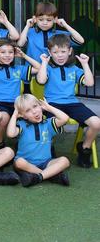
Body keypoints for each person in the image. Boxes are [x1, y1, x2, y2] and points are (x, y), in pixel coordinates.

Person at [36, 34, 99, 167]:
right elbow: (41, 80)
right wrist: (44, 63)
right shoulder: (47, 68)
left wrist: (85, 64)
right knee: (49, 124)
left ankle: (84, 149)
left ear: (70, 51)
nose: (60, 55)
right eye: (55, 52)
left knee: (96, 123)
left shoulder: (74, 69)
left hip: (72, 103)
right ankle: (48, 147)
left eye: (63, 51)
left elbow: (89, 83)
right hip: (52, 104)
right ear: (49, 52)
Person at [0, 39, 41, 149]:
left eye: (10, 52)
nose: (7, 55)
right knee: (3, 117)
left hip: (16, 104)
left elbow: (38, 68)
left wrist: (24, 56)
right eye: (3, 52)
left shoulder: (18, 69)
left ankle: (25, 144)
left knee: (30, 114)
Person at [7, 94, 71, 187]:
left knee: (65, 161)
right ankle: (51, 176)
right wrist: (15, 114)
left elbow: (65, 118)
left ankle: (38, 177)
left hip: (46, 162)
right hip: (26, 163)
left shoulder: (48, 124)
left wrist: (48, 107)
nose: (34, 112)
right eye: (28, 110)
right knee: (19, 162)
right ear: (23, 115)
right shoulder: (21, 125)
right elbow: (10, 133)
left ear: (40, 106)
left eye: (35, 106)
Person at [17, 2, 84, 61]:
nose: (45, 23)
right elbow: (20, 44)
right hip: (33, 70)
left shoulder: (60, 35)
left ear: (55, 19)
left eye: (49, 20)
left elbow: (80, 41)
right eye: (41, 20)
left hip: (53, 72)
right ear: (35, 19)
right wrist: (27, 26)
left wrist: (66, 25)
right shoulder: (29, 32)